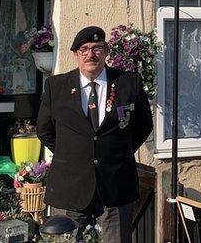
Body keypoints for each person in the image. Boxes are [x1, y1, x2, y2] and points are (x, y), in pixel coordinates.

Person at [37, 26, 153, 243]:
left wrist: (116, 153)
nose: (91, 54)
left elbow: (143, 126)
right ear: (75, 54)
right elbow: (44, 130)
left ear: (106, 51)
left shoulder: (129, 83)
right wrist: (73, 154)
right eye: (84, 49)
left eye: (97, 48)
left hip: (116, 185)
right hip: (70, 186)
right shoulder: (56, 86)